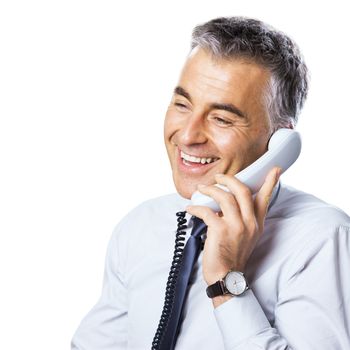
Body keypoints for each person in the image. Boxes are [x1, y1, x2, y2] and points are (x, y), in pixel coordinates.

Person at [71, 16, 350, 349]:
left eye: (221, 118)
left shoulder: (321, 239)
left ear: (281, 144)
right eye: (182, 104)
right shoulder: (141, 227)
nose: (187, 135)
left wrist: (226, 282)